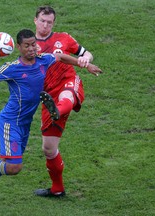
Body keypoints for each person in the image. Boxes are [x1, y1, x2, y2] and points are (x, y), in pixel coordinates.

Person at [0, 29, 101, 211]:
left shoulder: (43, 59)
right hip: (10, 122)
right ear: (18, 47)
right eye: (26, 45)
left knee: (8, 164)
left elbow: (61, 57)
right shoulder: (12, 68)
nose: (31, 48)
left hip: (24, 124)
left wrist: (84, 65)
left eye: (33, 44)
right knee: (14, 166)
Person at [33, 6, 102, 197]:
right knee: (49, 148)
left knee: (67, 97)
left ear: (53, 23)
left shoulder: (63, 38)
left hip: (68, 83)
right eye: (42, 21)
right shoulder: (29, 45)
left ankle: (57, 109)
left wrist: (85, 61)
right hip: (47, 95)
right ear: (35, 20)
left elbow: (86, 53)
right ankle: (57, 189)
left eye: (49, 22)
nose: (46, 25)